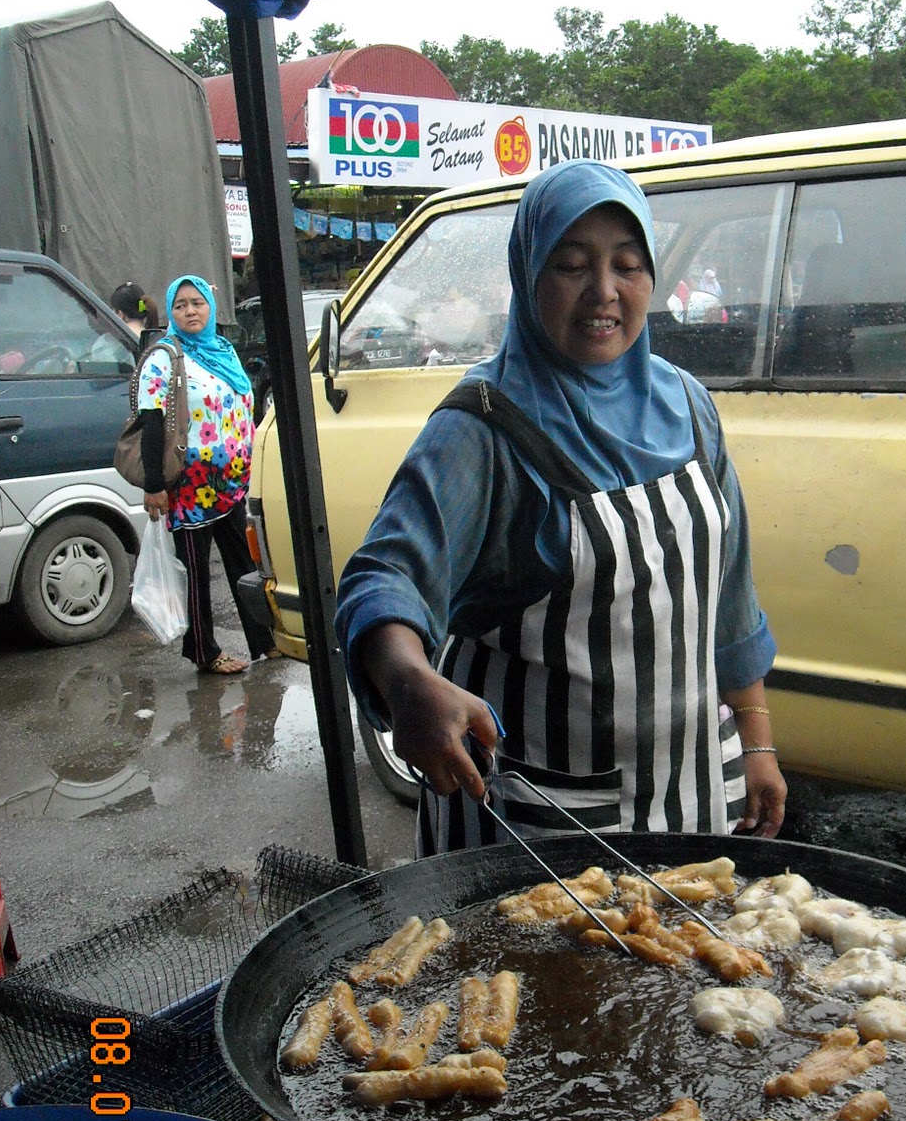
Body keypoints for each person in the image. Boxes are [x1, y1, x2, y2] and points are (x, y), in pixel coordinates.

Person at [336, 160, 787, 855]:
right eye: (572, 265)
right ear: (528, 274)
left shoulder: (688, 407)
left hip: (696, 793)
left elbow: (731, 595)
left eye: (628, 265)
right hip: (541, 818)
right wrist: (408, 681)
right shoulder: (485, 429)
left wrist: (756, 742)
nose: (603, 292)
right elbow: (383, 577)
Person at [139, 274, 277, 674]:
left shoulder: (223, 350)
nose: (190, 311)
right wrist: (153, 486)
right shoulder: (164, 357)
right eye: (180, 305)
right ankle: (203, 650)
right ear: (172, 313)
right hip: (188, 486)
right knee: (197, 572)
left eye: (196, 303)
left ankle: (263, 641)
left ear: (210, 308)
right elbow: (151, 423)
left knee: (243, 563)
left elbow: (244, 408)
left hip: (230, 482)